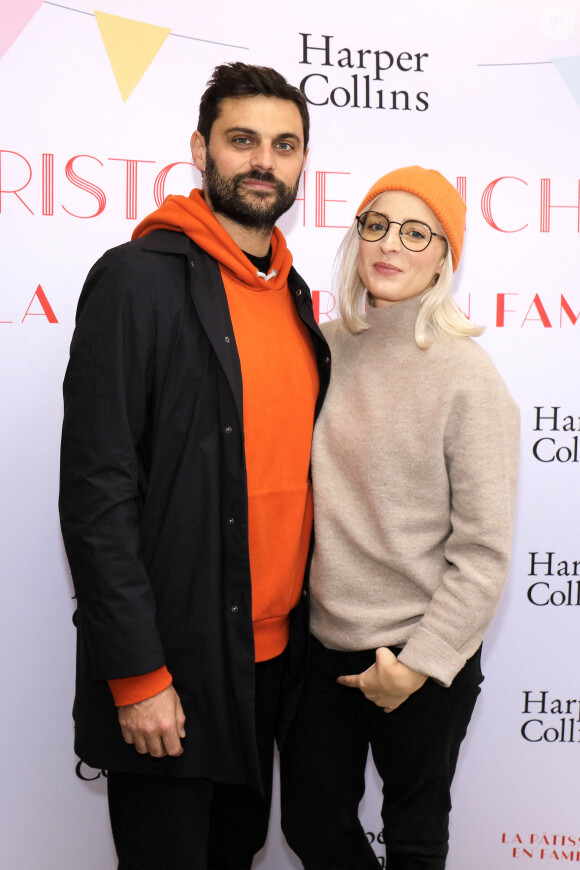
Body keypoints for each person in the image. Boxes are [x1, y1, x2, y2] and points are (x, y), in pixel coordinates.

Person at [59, 62, 329, 870]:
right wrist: (138, 675)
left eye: (285, 145)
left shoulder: (294, 293)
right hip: (174, 665)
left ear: (303, 163)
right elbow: (97, 494)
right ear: (199, 150)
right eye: (241, 140)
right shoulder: (136, 280)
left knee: (237, 854)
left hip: (275, 667)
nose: (263, 161)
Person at [280, 166, 520, 869]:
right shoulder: (319, 349)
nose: (391, 244)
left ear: (445, 255)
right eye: (376, 225)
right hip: (321, 648)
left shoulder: (467, 376)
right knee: (311, 826)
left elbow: (482, 552)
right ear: (356, 238)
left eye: (417, 232)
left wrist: (416, 667)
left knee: (414, 841)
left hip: (422, 652)